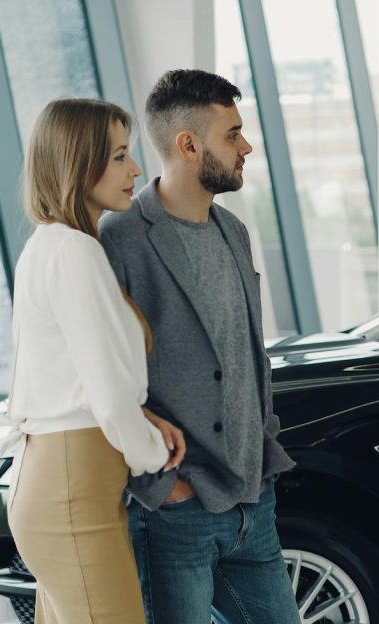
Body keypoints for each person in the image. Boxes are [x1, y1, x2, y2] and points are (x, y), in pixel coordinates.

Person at [98, 69, 299, 624]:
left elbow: (246, 358)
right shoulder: (120, 240)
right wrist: (168, 488)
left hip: (252, 503)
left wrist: (262, 454)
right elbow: (102, 374)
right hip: (176, 512)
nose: (246, 146)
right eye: (231, 134)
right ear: (188, 144)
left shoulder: (233, 231)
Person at [7, 98, 187, 623]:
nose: (135, 169)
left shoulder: (50, 247)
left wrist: (145, 417)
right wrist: (156, 458)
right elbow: (106, 401)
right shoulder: (75, 253)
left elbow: (73, 380)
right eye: (118, 156)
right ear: (75, 163)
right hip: (73, 487)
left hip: (57, 479)